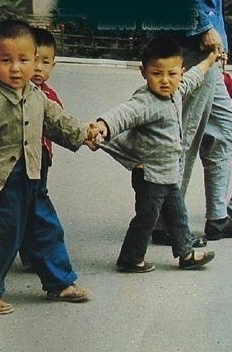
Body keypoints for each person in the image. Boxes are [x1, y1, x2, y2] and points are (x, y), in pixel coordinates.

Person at [0, 19, 97, 315]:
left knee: (45, 229)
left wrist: (83, 133)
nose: (15, 68)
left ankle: (59, 282)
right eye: (6, 60)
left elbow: (57, 120)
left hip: (32, 176)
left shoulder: (37, 96)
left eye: (24, 60)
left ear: (34, 60)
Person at [91, 37, 216, 272]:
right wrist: (103, 125)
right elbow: (124, 113)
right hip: (149, 176)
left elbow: (193, 78)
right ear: (144, 72)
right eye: (157, 74)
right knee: (146, 219)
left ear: (181, 71)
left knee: (178, 216)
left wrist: (210, 60)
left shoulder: (177, 90)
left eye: (172, 73)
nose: (165, 80)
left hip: (168, 174)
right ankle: (130, 258)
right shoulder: (145, 101)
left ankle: (186, 253)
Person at [151, 0, 232, 245]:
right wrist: (204, 27)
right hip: (189, 42)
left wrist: (219, 41)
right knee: (182, 137)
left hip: (206, 49)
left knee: (224, 129)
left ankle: (218, 218)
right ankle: (167, 224)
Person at [18, 27, 63, 272]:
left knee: (36, 201)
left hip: (42, 157)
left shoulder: (50, 96)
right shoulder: (15, 91)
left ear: (53, 66)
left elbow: (60, 124)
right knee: (25, 203)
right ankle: (29, 251)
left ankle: (33, 252)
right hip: (19, 158)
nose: (38, 68)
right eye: (34, 60)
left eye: (45, 62)